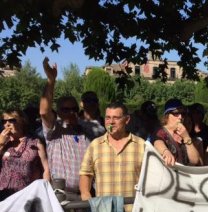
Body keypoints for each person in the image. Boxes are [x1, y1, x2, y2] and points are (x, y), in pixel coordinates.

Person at [39, 57, 90, 195]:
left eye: (73, 108)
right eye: (65, 109)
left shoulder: (86, 129)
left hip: (85, 194)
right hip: (61, 195)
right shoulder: (54, 129)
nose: (70, 112)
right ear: (58, 111)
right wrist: (51, 81)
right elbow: (44, 112)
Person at [79, 102, 146, 203]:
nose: (111, 122)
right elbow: (85, 174)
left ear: (127, 120)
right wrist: (87, 198)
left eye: (116, 118)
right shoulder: (95, 145)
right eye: (108, 118)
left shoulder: (141, 145)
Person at [0, 109, 50, 200]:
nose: (7, 124)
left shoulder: (35, 142)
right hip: (3, 195)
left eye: (11, 120)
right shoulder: (3, 142)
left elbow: (46, 168)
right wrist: (1, 144)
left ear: (21, 121)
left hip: (27, 195)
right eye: (4, 121)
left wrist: (45, 191)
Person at [152, 99, 202, 166]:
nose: (180, 117)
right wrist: (165, 151)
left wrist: (186, 137)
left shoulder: (183, 133)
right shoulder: (161, 131)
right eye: (176, 113)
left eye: (183, 114)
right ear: (167, 115)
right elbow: (157, 142)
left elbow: (195, 160)